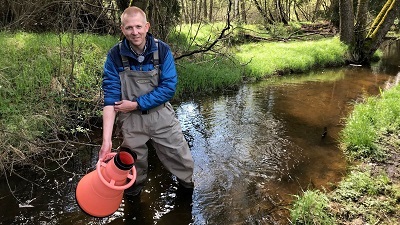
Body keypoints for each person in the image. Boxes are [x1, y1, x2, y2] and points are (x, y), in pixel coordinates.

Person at [99, 6, 194, 198]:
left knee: (180, 157)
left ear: (147, 26)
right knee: (132, 165)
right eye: (129, 28)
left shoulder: (162, 50)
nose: (135, 32)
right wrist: (106, 140)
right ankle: (134, 194)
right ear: (122, 29)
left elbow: (168, 88)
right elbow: (110, 98)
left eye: (138, 27)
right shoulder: (115, 56)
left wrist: (136, 104)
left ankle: (186, 189)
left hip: (161, 116)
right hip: (130, 121)